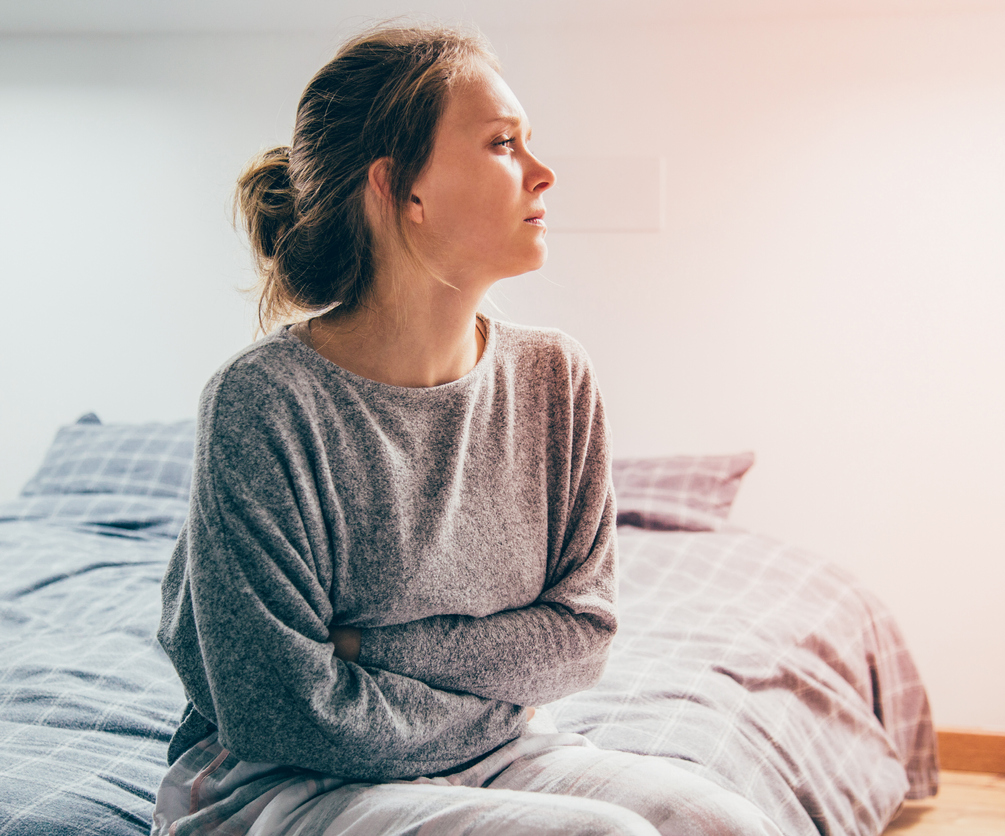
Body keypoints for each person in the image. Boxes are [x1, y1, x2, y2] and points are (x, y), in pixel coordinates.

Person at [151, 23, 782, 836]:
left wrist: (370, 649)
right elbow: (280, 712)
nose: (543, 173)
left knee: (727, 824)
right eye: (503, 143)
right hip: (282, 781)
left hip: (499, 752)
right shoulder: (262, 402)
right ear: (401, 188)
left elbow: (582, 637)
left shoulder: (556, 378)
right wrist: (489, 686)